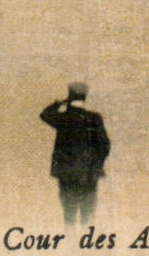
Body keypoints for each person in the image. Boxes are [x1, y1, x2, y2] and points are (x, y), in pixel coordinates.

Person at [40, 82, 110, 227]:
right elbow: (105, 145)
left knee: (69, 215)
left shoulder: (64, 118)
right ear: (85, 97)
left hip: (67, 174)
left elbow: (45, 114)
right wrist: (96, 165)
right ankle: (86, 240)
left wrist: (60, 103)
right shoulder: (94, 118)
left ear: (70, 96)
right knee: (87, 215)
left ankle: (71, 240)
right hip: (89, 174)